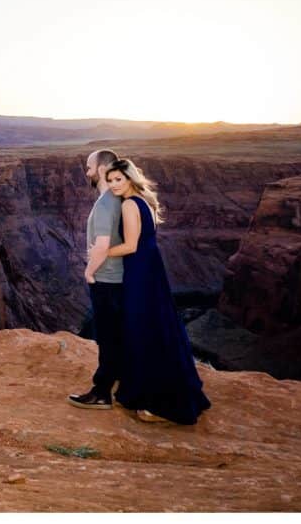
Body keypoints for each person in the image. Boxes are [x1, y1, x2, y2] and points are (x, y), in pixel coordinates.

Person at [103, 158, 211, 425]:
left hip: (139, 271)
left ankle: (160, 403)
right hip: (152, 269)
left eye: (119, 179)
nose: (114, 185)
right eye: (110, 180)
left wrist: (101, 252)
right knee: (159, 327)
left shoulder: (129, 204)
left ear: (130, 178)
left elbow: (130, 246)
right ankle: (168, 391)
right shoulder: (146, 200)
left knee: (141, 329)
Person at [68, 149, 125, 410]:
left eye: (89, 167)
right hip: (118, 278)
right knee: (115, 334)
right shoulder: (118, 197)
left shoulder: (105, 203)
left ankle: (102, 392)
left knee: (107, 337)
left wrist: (89, 272)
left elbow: (102, 245)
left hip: (106, 279)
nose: (87, 172)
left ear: (102, 169)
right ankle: (119, 382)